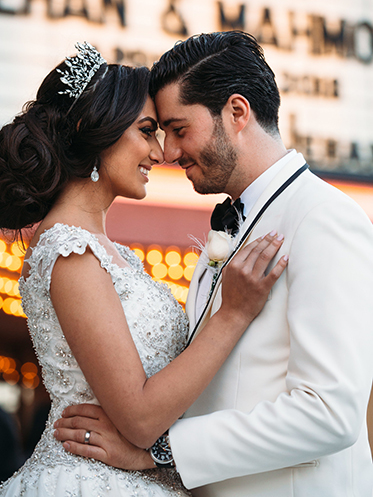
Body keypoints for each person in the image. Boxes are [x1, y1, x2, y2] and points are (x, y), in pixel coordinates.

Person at [54, 32, 373, 497]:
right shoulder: (219, 237)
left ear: (237, 113)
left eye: (180, 130)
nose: (170, 153)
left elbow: (330, 413)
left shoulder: (325, 217)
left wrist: (161, 449)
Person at [0, 41, 288, 497]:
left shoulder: (108, 250)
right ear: (95, 131)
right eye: (147, 130)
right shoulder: (69, 250)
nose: (161, 152)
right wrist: (231, 315)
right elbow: (139, 416)